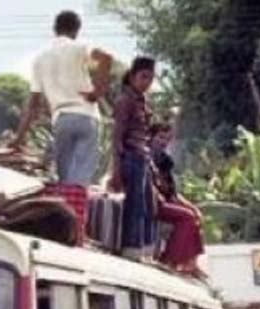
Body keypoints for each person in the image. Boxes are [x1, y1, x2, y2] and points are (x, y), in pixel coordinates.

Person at [10, 10, 113, 185]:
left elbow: (32, 105)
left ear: (54, 29)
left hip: (62, 120)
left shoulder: (40, 59)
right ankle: (76, 209)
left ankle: (66, 210)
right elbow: (106, 57)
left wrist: (18, 139)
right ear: (76, 30)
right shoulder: (79, 48)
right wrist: (97, 92)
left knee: (64, 180)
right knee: (80, 180)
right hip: (87, 116)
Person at [112, 56, 157, 260]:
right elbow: (117, 135)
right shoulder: (125, 100)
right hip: (131, 157)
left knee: (148, 205)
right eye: (143, 77)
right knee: (135, 205)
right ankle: (132, 249)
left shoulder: (142, 100)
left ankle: (145, 249)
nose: (147, 82)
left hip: (143, 158)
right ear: (132, 76)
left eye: (150, 78)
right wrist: (116, 169)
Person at [149, 122, 205, 273]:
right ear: (151, 137)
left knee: (195, 215)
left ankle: (191, 262)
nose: (164, 142)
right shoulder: (146, 158)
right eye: (160, 137)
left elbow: (173, 193)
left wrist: (192, 207)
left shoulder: (165, 161)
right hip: (151, 202)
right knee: (186, 217)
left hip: (165, 201)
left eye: (167, 139)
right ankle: (169, 259)